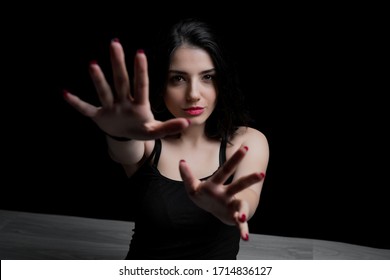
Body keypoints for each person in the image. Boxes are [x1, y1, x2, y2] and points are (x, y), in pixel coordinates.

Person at [63, 18, 269, 260]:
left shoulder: (248, 141)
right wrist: (119, 132)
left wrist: (232, 207)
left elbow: (248, 199)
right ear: (161, 84)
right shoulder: (148, 142)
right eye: (178, 79)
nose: (193, 94)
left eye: (207, 77)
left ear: (222, 81)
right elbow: (124, 150)